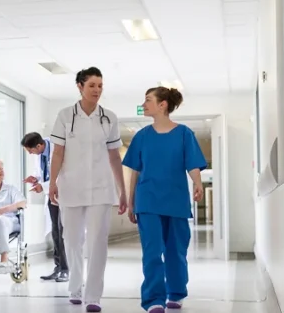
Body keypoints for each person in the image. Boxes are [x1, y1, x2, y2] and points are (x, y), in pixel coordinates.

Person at [48, 67, 128, 313]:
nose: (97, 90)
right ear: (80, 86)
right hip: (71, 187)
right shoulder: (65, 115)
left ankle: (93, 295)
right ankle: (75, 286)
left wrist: (122, 190)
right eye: (92, 85)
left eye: (100, 85)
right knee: (72, 240)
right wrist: (52, 183)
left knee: (97, 242)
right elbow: (58, 152)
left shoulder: (109, 117)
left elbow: (114, 156)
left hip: (101, 188)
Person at [121, 87, 206, 313]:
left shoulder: (184, 134)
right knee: (152, 251)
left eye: (148, 100)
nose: (144, 104)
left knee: (175, 250)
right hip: (147, 200)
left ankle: (176, 292)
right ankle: (153, 299)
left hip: (176, 200)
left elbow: (192, 163)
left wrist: (198, 183)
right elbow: (135, 171)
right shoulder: (142, 136)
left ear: (163, 105)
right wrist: (131, 201)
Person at [22, 132, 68, 282]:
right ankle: (58, 267)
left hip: (63, 194)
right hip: (52, 196)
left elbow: (62, 175)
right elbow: (44, 174)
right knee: (55, 232)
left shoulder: (58, 149)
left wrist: (43, 186)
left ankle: (66, 269)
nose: (30, 154)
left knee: (63, 232)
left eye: (31, 150)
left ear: (39, 145)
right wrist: (36, 179)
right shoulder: (40, 154)